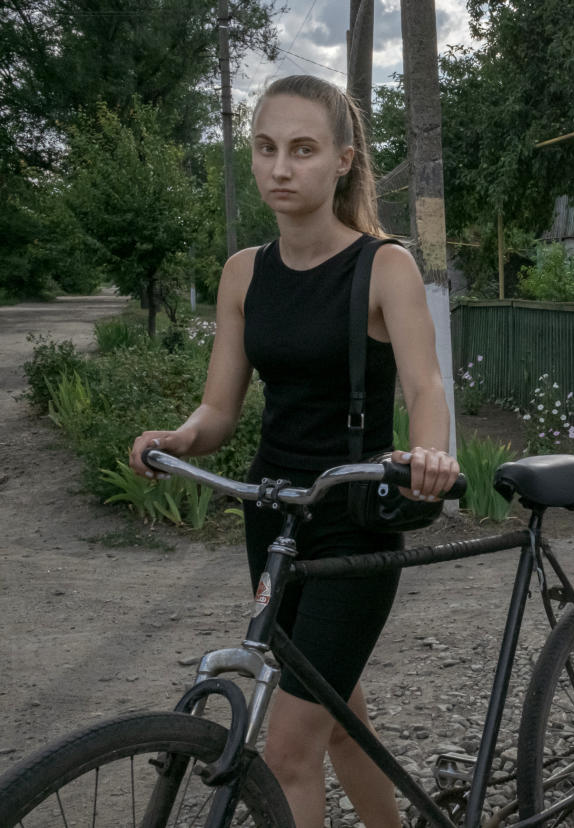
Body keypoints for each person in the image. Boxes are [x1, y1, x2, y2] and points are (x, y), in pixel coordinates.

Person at [128, 74, 458, 828]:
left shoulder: (385, 266)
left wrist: (428, 458)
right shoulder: (244, 272)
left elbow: (426, 385)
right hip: (272, 515)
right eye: (266, 148)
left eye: (303, 150)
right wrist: (181, 437)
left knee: (287, 750)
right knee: (336, 715)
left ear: (343, 159)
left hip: (353, 518)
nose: (280, 168)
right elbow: (219, 407)